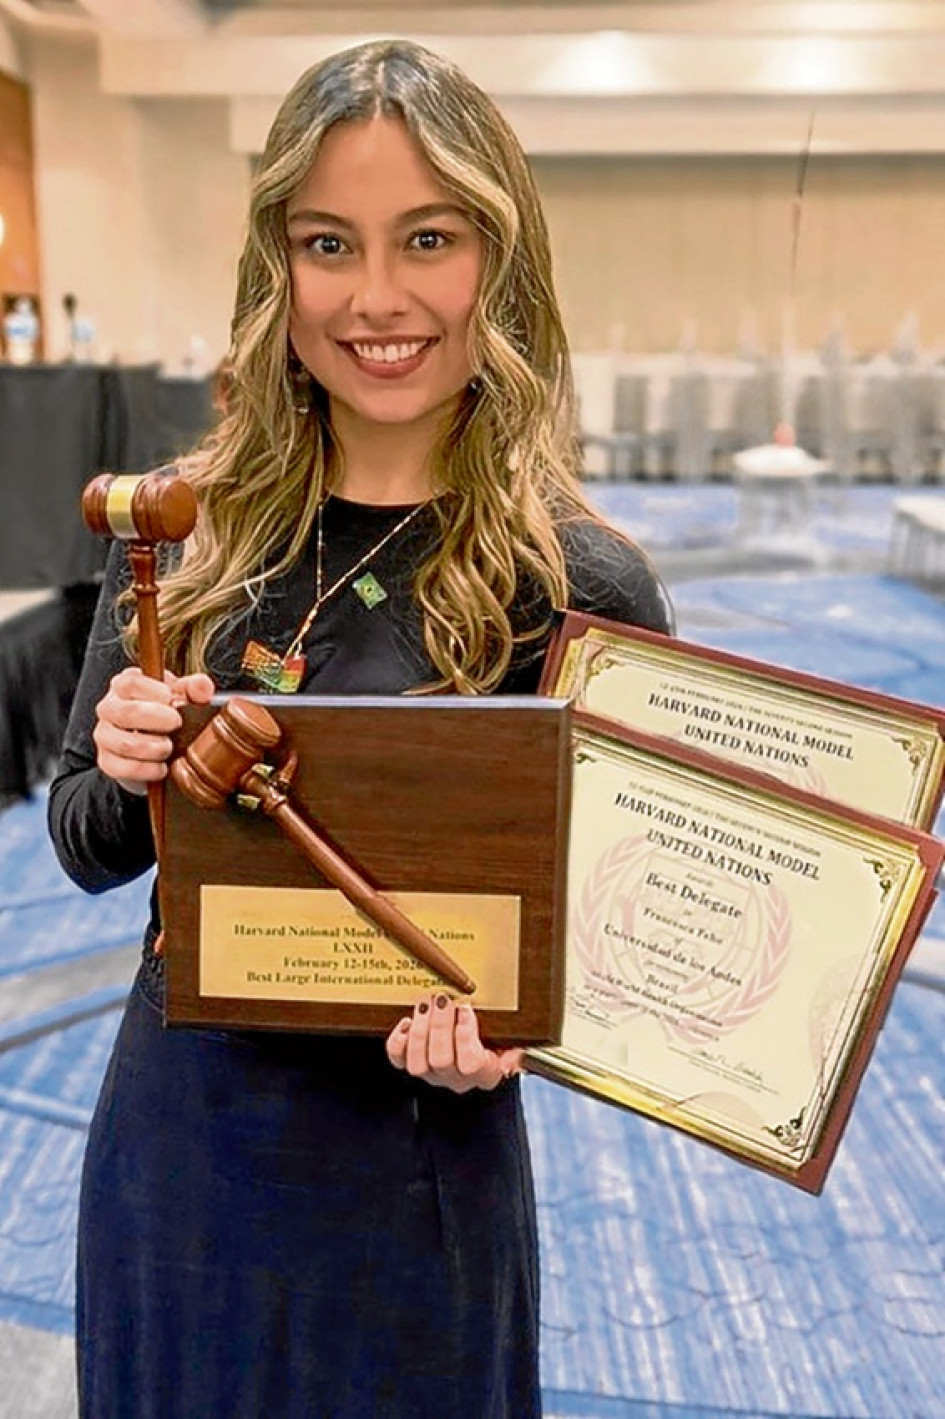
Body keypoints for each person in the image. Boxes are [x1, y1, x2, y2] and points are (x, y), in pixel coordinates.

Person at [48, 38, 673, 1419]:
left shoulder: (578, 583)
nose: (376, 297)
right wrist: (131, 766)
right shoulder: (190, 528)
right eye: (328, 243)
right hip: (184, 1152)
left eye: (428, 238)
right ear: (277, 268)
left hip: (417, 1168)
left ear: (499, 262)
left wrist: (519, 1034)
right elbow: (83, 843)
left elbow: (634, 935)